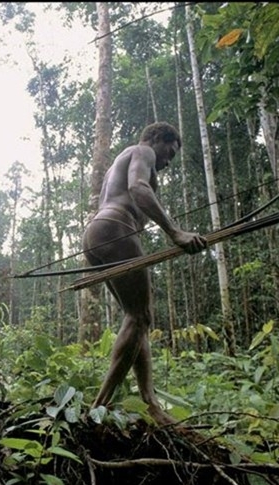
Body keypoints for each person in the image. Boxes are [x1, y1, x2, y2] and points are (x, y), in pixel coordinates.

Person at [82, 121, 207, 425]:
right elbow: (138, 188)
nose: (168, 161)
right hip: (117, 227)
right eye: (170, 152)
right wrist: (175, 233)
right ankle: (99, 407)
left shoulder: (120, 160)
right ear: (156, 139)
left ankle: (150, 402)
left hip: (95, 233)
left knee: (137, 316)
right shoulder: (143, 150)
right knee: (140, 317)